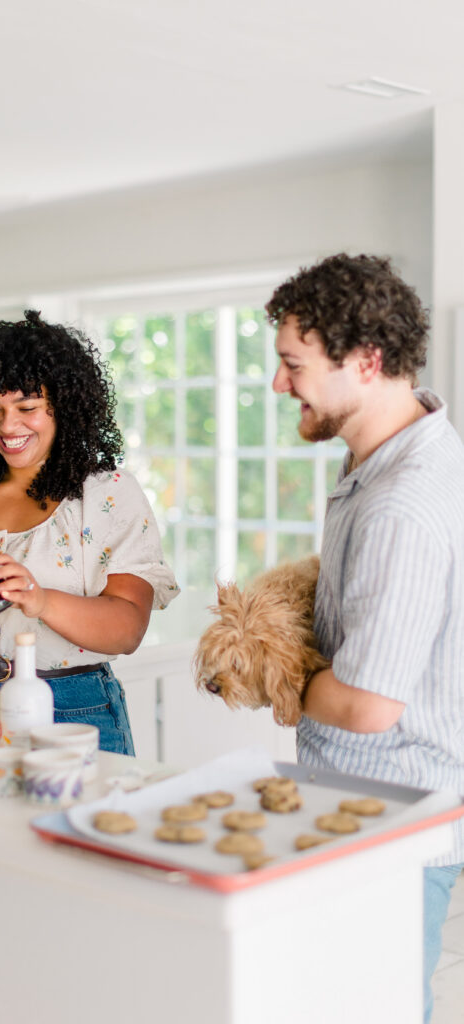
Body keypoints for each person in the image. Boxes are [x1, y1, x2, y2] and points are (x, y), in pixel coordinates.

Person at [266, 253, 464, 1024]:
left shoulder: (400, 502)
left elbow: (368, 705)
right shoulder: (388, 457)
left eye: (293, 365)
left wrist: (271, 671)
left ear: (366, 362)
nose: (278, 384)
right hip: (366, 811)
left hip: (387, 822)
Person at [0, 310, 179, 755]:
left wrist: (40, 600)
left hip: (69, 710)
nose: (7, 426)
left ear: (64, 405)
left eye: (27, 408)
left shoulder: (107, 493)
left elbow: (128, 629)